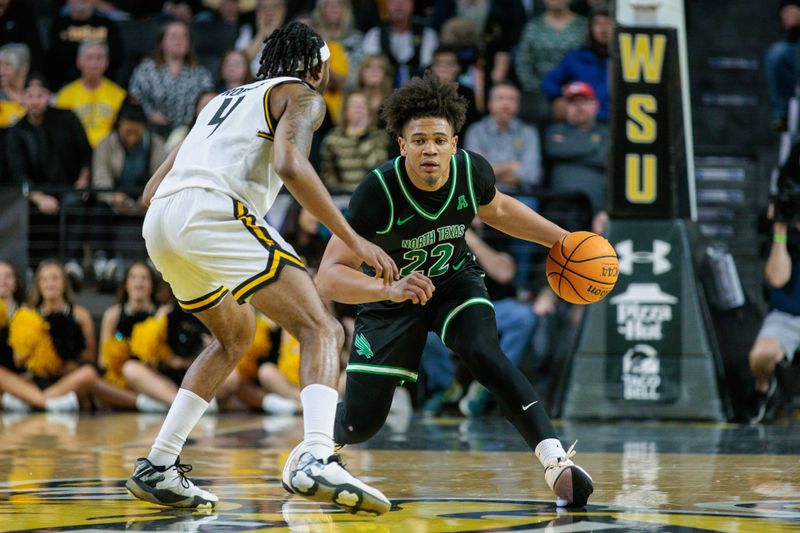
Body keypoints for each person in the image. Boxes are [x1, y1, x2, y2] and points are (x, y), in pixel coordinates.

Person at [125, 21, 397, 515]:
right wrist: (354, 239)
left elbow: (148, 192)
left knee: (234, 336)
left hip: (161, 222)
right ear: (318, 67)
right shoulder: (303, 96)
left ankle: (159, 464)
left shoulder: (219, 103)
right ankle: (315, 454)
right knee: (321, 328)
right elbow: (292, 165)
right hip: (213, 211)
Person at [314, 72, 594, 508]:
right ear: (402, 144)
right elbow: (328, 276)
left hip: (452, 282)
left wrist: (562, 239)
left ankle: (557, 462)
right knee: (360, 425)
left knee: (486, 352)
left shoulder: (470, 171)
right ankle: (314, 449)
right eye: (420, 140)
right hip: (390, 299)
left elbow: (500, 209)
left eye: (439, 140)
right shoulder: (379, 193)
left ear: (454, 144)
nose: (430, 149)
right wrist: (388, 290)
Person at [0, 259, 98, 412]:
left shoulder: (80, 314)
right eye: (44, 279)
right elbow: (18, 361)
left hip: (67, 378)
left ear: (64, 283)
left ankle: (32, 401)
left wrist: (64, 354)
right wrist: (33, 344)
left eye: (55, 278)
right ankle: (49, 402)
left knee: (89, 374)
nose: (49, 284)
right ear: (38, 285)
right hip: (37, 378)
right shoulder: (28, 315)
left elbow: (90, 357)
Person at [748, 163, 800, 423]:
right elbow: (777, 279)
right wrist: (780, 232)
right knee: (762, 355)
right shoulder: (784, 227)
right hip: (789, 314)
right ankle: (763, 391)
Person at [543, 81, 609, 235]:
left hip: (597, 211)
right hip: (559, 209)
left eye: (584, 101)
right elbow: (554, 149)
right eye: (573, 102)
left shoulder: (608, 132)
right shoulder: (554, 130)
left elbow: (606, 158)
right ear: (565, 107)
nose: (579, 107)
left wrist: (569, 152)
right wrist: (593, 147)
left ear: (596, 105)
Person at [54, 40, 126, 148]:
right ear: (79, 61)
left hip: (109, 151)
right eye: (89, 58)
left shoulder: (119, 95)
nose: (94, 63)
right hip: (75, 151)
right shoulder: (65, 95)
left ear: (106, 62)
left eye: (99, 58)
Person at [320, 91, 391, 193]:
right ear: (345, 111)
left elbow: (378, 168)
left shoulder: (378, 136)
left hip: (371, 194)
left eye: (363, 104)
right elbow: (328, 172)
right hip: (341, 196)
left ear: (369, 111)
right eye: (354, 104)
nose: (359, 107)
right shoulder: (333, 138)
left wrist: (363, 134)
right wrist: (338, 191)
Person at [361, 0, 438, 87]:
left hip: (419, 91)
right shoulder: (374, 34)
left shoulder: (427, 34)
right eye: (393, 1)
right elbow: (370, 67)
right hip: (383, 92)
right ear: (386, 5)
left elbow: (428, 68)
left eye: (404, 1)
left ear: (413, 4)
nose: (398, 6)